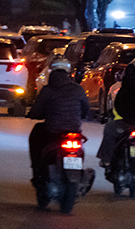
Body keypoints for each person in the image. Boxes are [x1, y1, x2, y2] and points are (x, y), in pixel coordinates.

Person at [26, 58, 90, 187]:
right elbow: (86, 109)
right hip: (74, 130)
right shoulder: (78, 89)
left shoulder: (47, 90)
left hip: (53, 131)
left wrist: (32, 114)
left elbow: (37, 111)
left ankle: (37, 170)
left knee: (36, 135)